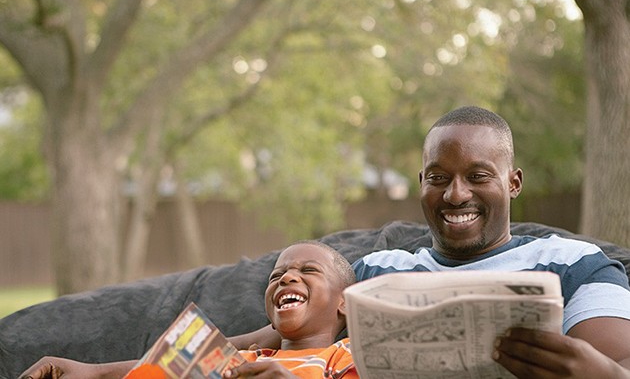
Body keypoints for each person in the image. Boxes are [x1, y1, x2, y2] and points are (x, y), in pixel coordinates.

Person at [351, 105, 630, 377]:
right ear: (422, 182)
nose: (456, 195)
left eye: (477, 177)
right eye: (438, 178)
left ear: (514, 183)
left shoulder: (573, 264)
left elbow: (620, 363)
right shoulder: (372, 271)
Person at [19, 241, 359, 379]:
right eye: (277, 275)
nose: (287, 277)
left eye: (309, 271)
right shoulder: (241, 360)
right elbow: (155, 370)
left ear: (345, 302)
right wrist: (89, 372)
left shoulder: (347, 357)